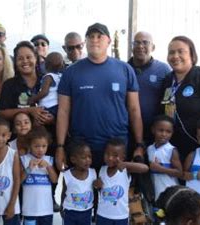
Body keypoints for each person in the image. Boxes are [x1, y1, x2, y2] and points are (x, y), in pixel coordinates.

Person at [55, 22, 144, 172]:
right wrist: (60, 146)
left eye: (99, 36)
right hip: (82, 149)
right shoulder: (71, 72)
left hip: (116, 148)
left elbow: (134, 110)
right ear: (86, 42)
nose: (94, 40)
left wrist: (140, 145)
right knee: (82, 193)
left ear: (108, 41)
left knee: (114, 193)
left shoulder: (125, 70)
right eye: (90, 36)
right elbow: (63, 112)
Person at [160, 35, 200, 162]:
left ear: (192, 55)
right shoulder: (167, 80)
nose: (175, 56)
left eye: (180, 51)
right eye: (171, 52)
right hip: (175, 151)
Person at [128, 31, 171, 144]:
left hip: (155, 133)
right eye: (136, 43)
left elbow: (170, 100)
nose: (140, 46)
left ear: (153, 47)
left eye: (145, 43)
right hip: (127, 131)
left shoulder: (164, 70)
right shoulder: (124, 69)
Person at [94, 138, 149, 225]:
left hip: (121, 216)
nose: (110, 158)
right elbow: (98, 187)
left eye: (115, 155)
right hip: (103, 214)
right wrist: (96, 184)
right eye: (107, 154)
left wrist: (125, 164)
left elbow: (145, 168)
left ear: (123, 157)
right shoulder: (101, 169)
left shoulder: (125, 170)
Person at [0, 41, 53, 126]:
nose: (25, 61)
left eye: (28, 57)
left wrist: (52, 119)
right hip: (20, 137)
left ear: (35, 58)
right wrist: (29, 110)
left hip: (48, 135)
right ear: (15, 62)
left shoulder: (48, 79)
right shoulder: (9, 84)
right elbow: (2, 113)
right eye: (20, 58)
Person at [20, 126, 58, 225]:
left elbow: (54, 180)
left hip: (46, 209)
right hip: (29, 209)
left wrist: (48, 167)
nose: (40, 150)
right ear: (29, 145)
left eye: (44, 146)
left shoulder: (49, 160)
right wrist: (28, 169)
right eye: (36, 146)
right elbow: (19, 180)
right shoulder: (24, 159)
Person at [61, 139, 96, 225]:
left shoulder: (93, 173)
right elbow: (63, 192)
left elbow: (96, 192)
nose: (88, 160)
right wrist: (62, 207)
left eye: (89, 157)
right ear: (73, 160)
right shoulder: (67, 175)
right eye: (84, 157)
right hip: (70, 211)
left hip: (86, 212)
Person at [147, 115, 182, 199]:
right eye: (160, 130)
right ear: (153, 130)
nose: (164, 134)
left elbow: (179, 172)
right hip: (155, 192)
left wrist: (160, 168)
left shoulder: (171, 150)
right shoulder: (149, 149)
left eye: (168, 131)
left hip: (170, 191)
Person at [28, 52, 64, 117]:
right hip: (57, 105)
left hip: (48, 106)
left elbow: (44, 92)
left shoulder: (48, 77)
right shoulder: (60, 76)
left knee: (38, 122)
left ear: (46, 65)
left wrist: (34, 99)